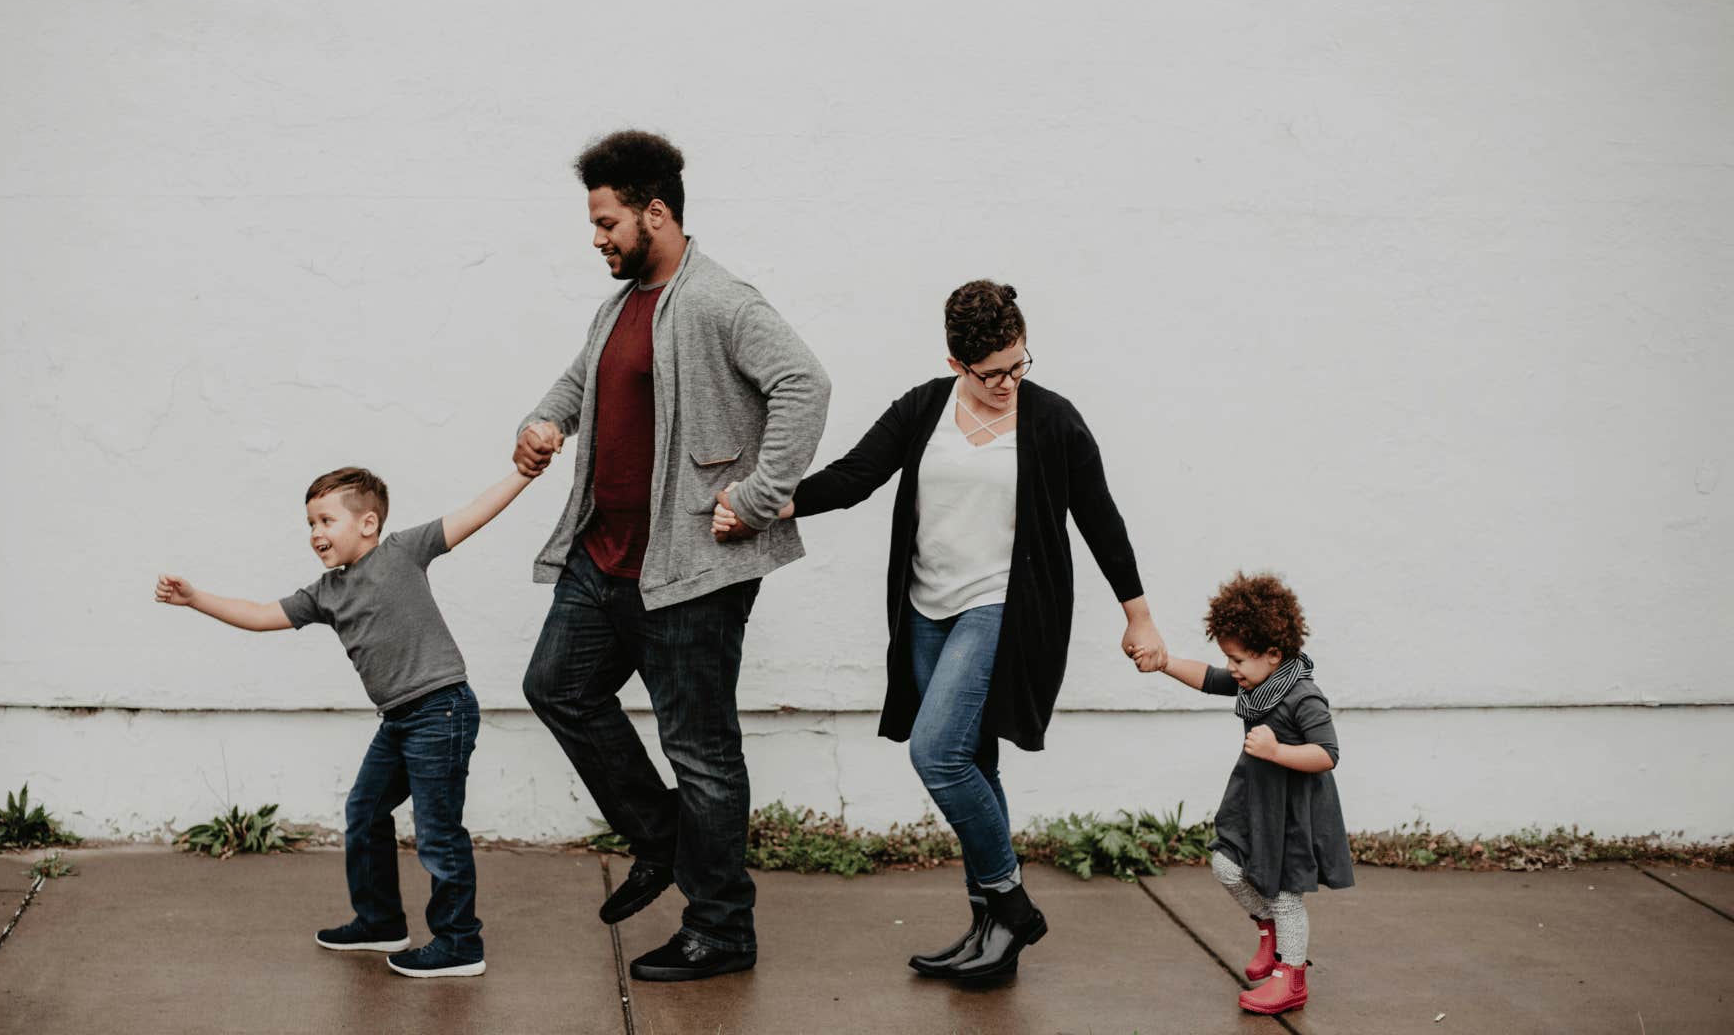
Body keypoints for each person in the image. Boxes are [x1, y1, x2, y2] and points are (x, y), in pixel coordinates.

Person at [713, 280, 1167, 980]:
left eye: (1020, 365)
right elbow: (856, 476)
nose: (1009, 383)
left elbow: (1100, 518)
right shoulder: (927, 408)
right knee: (974, 762)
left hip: (1001, 608)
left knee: (938, 755)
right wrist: (765, 505)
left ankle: (1012, 906)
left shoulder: (1053, 422)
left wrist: (1138, 616)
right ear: (958, 364)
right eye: (992, 374)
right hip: (926, 610)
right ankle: (991, 935)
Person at [514, 130, 829, 982]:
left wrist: (758, 497)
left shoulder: (721, 301)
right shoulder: (619, 305)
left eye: (607, 220)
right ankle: (662, 842)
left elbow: (806, 384)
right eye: (594, 222)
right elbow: (581, 381)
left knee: (702, 751)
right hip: (603, 558)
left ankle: (722, 929)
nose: (597, 238)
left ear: (656, 212)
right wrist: (543, 423)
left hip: (688, 570)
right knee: (557, 688)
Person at [154, 465, 533, 978]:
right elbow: (262, 613)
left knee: (438, 832)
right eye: (310, 523)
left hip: (441, 711)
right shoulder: (326, 593)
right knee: (365, 809)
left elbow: (473, 513)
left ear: (368, 524)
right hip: (398, 720)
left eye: (326, 521)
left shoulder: (403, 551)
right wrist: (195, 599)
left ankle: (460, 942)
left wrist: (524, 473)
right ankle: (380, 921)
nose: (315, 534)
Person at [1148, 571, 1352, 1016]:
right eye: (1229, 659)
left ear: (1273, 653)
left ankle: (1291, 977)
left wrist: (1278, 750)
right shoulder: (1255, 683)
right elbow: (1207, 678)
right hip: (1256, 800)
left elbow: (1327, 754)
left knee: (1283, 893)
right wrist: (1164, 662)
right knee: (1225, 863)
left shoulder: (1303, 696)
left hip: (1292, 810)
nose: (1232, 668)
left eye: (1238, 659)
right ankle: (1269, 930)